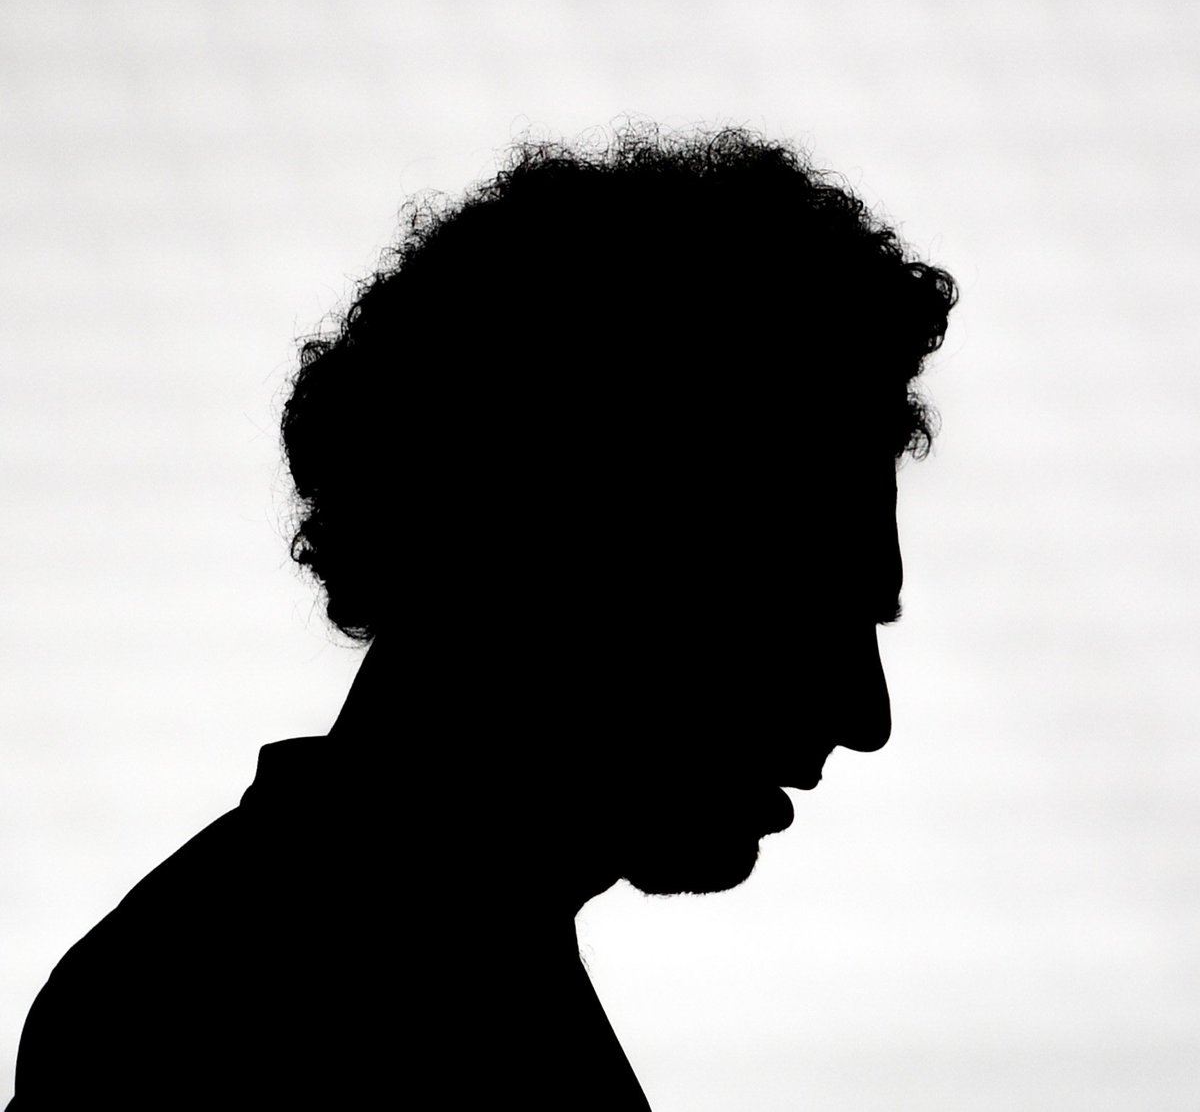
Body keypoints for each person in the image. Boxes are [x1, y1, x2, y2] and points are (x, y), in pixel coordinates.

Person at [8, 126, 955, 1109]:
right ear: (569, 547)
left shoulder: (273, 972)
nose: (865, 714)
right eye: (801, 613)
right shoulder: (249, 1016)